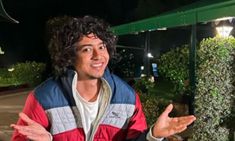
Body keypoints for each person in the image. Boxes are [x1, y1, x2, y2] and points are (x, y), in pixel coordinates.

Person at [11, 15, 196, 141]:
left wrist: (153, 135)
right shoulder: (43, 98)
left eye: (101, 47)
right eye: (86, 49)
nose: (98, 56)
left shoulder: (127, 98)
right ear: (69, 56)